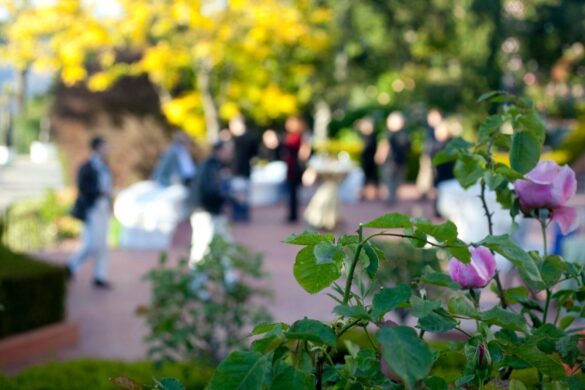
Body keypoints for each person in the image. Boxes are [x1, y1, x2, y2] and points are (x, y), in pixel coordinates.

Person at [68, 136, 113, 289]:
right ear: (96, 148)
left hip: (102, 208)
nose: (107, 150)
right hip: (91, 208)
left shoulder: (104, 166)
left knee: (102, 244)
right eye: (104, 147)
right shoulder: (87, 167)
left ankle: (100, 275)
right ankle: (71, 266)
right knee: (90, 243)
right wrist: (100, 192)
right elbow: (83, 187)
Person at [189, 140, 234, 264]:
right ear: (220, 151)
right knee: (202, 248)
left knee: (224, 245)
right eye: (228, 150)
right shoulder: (211, 166)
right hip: (205, 212)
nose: (231, 154)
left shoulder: (213, 165)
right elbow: (211, 190)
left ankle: (228, 280)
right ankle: (196, 281)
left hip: (209, 211)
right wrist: (229, 199)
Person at [375, 111, 410, 204]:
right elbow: (383, 145)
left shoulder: (403, 134)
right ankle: (391, 197)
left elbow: (407, 147)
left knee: (396, 180)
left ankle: (392, 197)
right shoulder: (389, 133)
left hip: (399, 161)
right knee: (389, 180)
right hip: (390, 161)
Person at [229, 115, 257, 222]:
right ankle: (242, 215)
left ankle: (240, 215)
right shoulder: (250, 137)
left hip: (238, 170)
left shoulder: (237, 140)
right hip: (245, 170)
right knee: (243, 195)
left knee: (238, 195)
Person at [283, 116, 310, 223]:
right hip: (293, 165)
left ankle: (293, 215)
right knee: (293, 192)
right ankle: (293, 214)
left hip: (294, 166)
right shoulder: (298, 136)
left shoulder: (295, 137)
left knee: (293, 192)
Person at [417, 108, 443, 199]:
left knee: (435, 174)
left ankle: (432, 191)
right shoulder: (430, 129)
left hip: (436, 154)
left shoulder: (441, 128)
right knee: (425, 173)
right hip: (428, 154)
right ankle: (423, 191)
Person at [357, 117, 379, 200]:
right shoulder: (364, 135)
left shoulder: (372, 135)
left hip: (371, 158)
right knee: (366, 176)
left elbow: (370, 146)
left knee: (371, 176)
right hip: (365, 158)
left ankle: (373, 192)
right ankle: (366, 192)